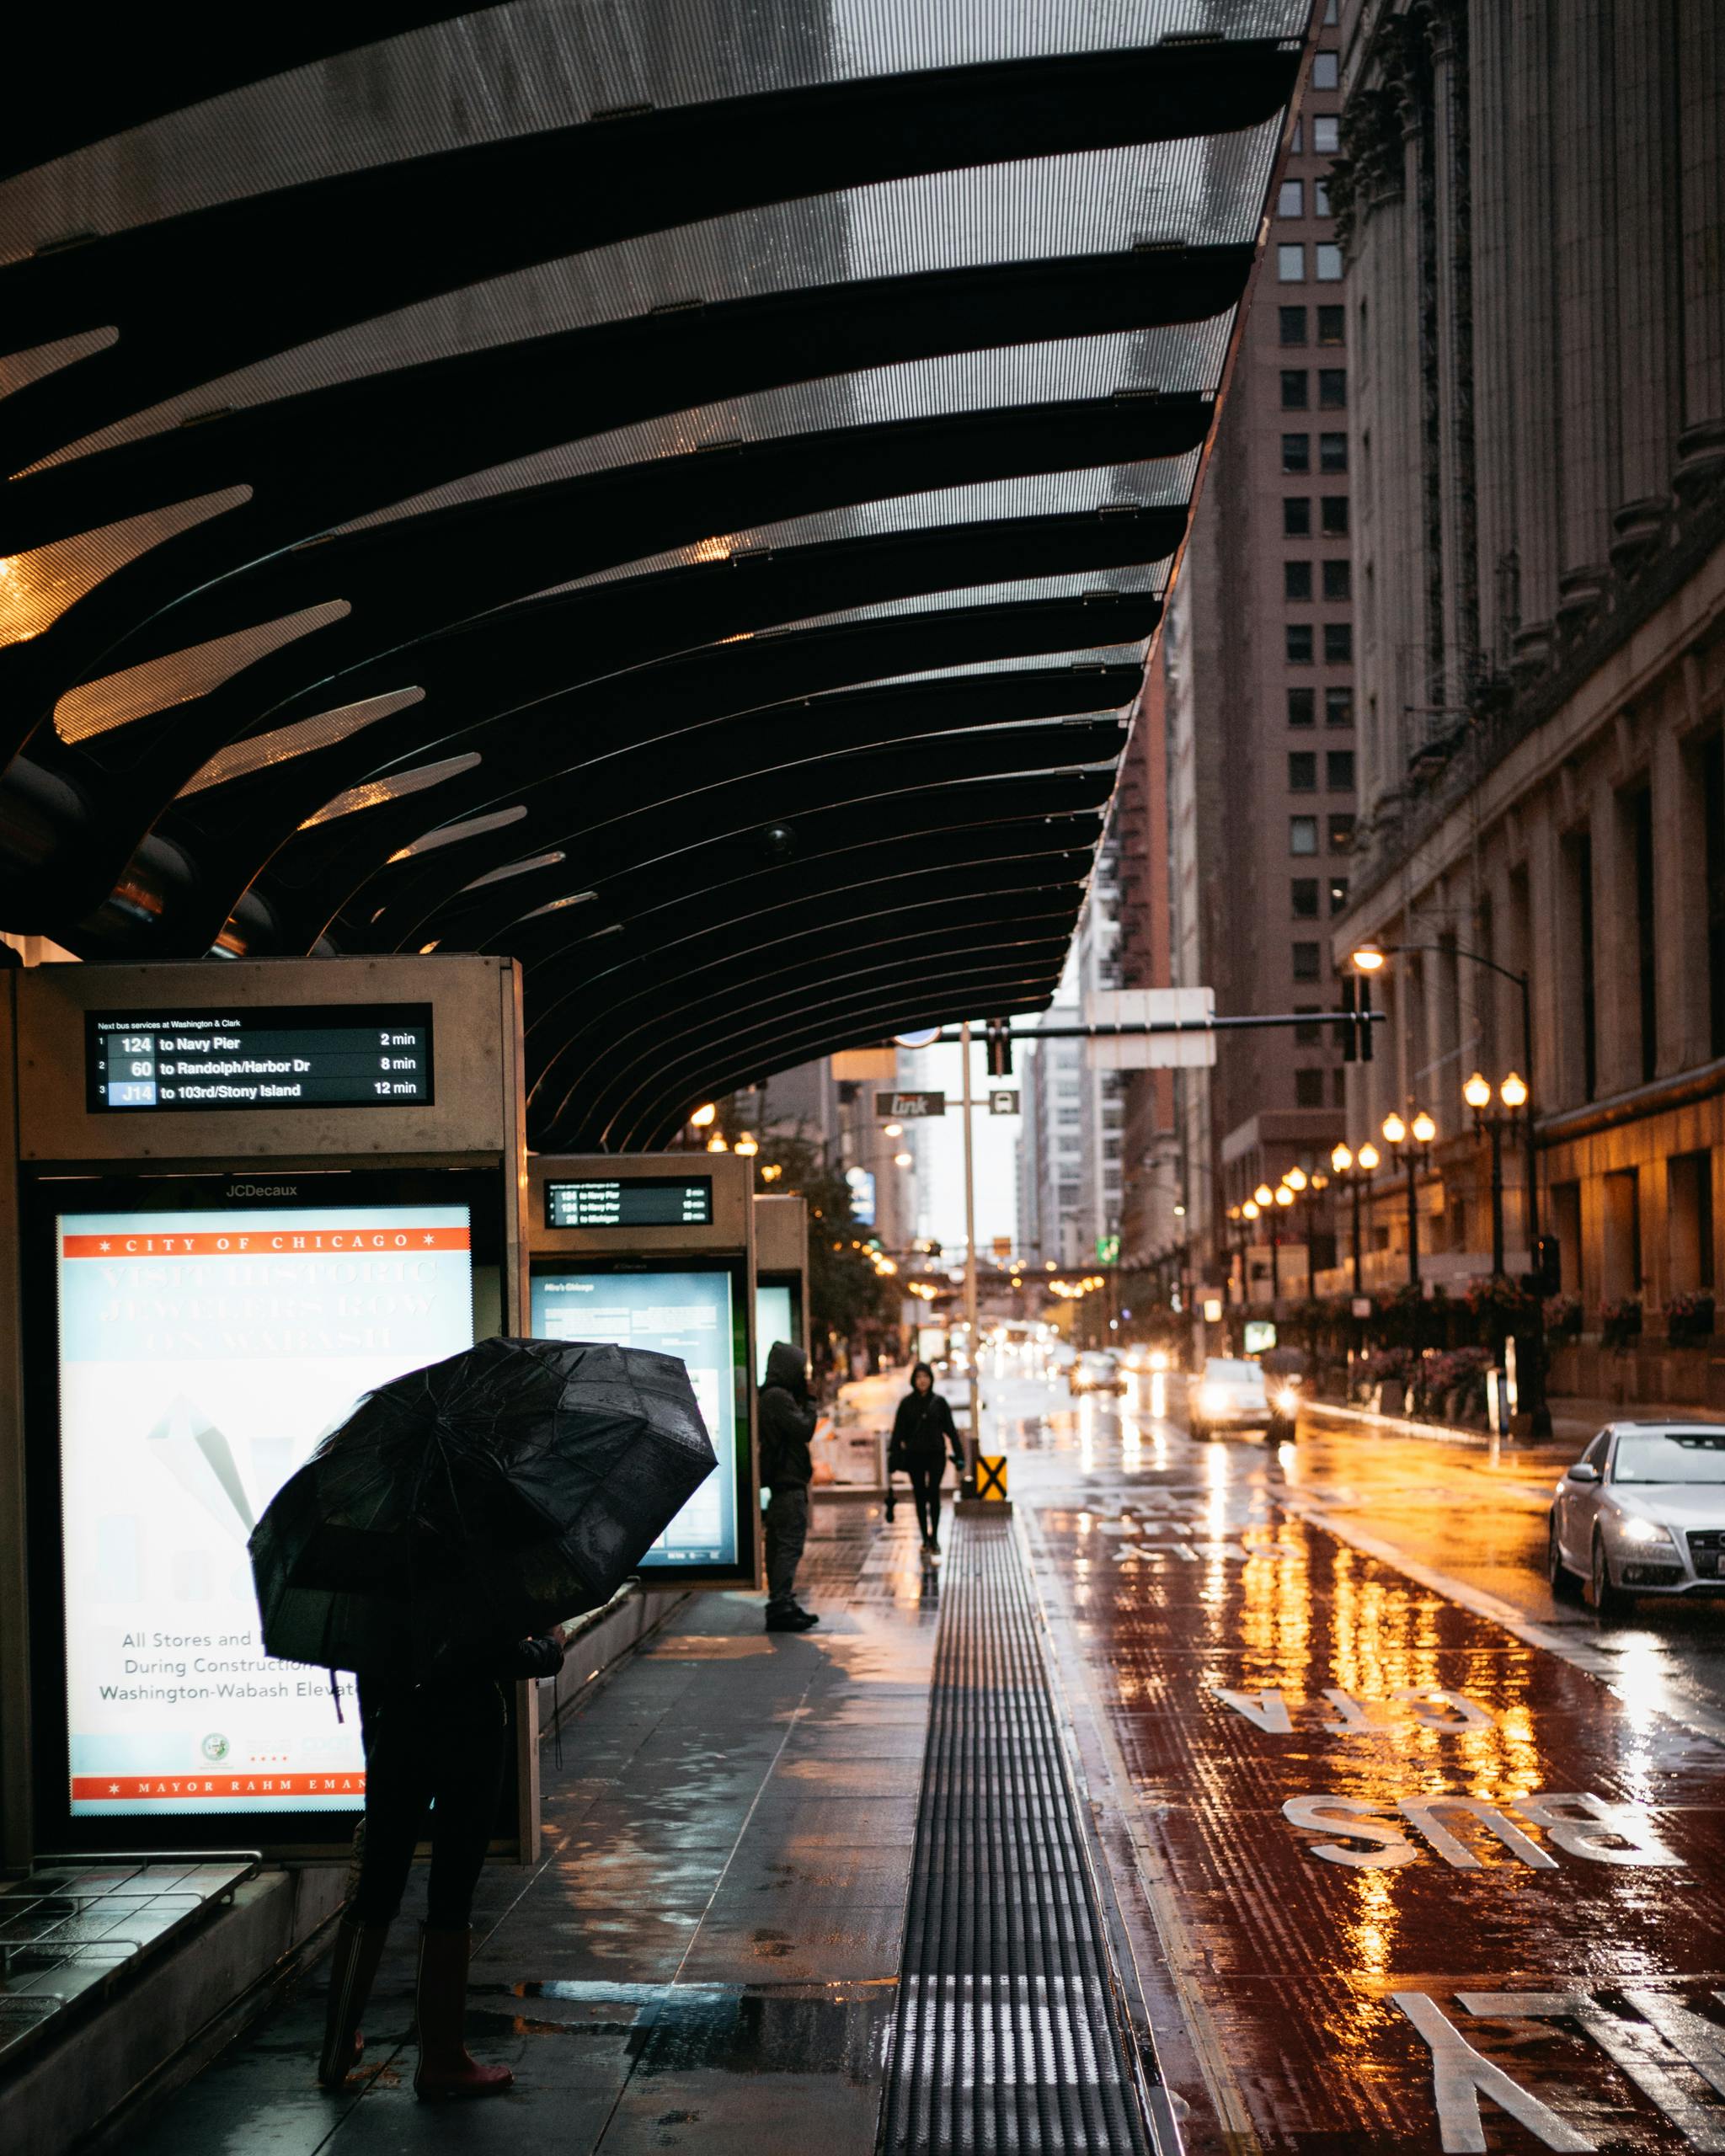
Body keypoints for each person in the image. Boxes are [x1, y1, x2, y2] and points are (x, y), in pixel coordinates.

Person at [318, 1628, 566, 2100]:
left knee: (376, 1886)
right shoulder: (468, 1562)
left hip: (394, 1730)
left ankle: (335, 2047)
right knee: (450, 1894)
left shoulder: (373, 1564)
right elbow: (496, 1653)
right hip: (468, 1734)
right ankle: (442, 2057)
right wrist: (550, 1648)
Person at [758, 1339, 820, 1633]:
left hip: (784, 1483)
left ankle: (782, 1602)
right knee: (788, 1546)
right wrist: (811, 1401)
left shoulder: (772, 1396)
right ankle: (780, 1605)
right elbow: (804, 1429)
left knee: (780, 1545)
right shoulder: (777, 1397)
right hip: (788, 1484)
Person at [889, 1362, 964, 1555]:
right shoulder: (906, 1404)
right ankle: (924, 1538)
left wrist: (960, 1454)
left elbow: (951, 1431)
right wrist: (894, 1457)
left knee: (934, 1494)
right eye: (918, 1377)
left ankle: (935, 1538)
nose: (922, 1381)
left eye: (925, 1377)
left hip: (936, 1455)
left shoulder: (939, 1403)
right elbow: (898, 1434)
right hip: (915, 1456)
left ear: (931, 1379)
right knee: (920, 1496)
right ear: (913, 1380)